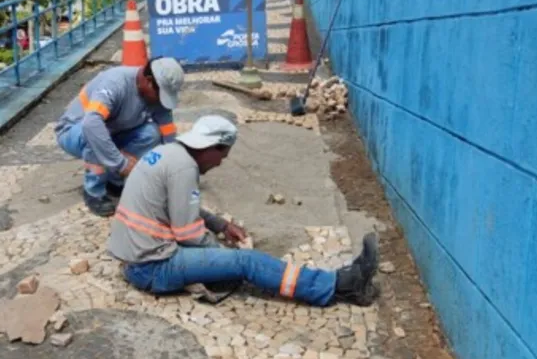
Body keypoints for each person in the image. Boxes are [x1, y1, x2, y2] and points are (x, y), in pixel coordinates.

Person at [107, 115, 380, 307]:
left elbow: (179, 206)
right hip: (153, 268)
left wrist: (220, 225)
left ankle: (337, 282)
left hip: (136, 260)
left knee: (234, 260)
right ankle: (340, 285)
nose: (219, 164)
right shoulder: (184, 168)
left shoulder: (169, 154)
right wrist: (222, 255)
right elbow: (188, 234)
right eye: (222, 156)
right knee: (246, 262)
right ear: (212, 148)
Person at [56, 57, 184, 216]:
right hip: (74, 131)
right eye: (160, 94)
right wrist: (121, 163)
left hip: (112, 131)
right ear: (148, 81)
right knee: (96, 132)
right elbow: (91, 123)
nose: (160, 100)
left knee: (151, 133)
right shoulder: (116, 83)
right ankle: (94, 192)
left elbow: (167, 130)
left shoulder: (155, 94)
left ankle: (114, 182)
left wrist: (175, 166)